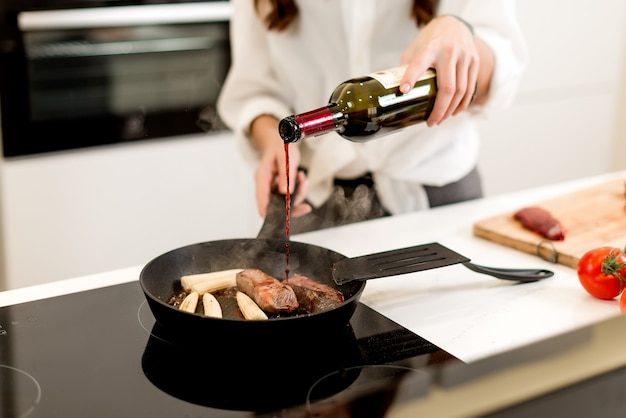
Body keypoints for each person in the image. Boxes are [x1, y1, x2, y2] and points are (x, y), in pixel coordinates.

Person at [217, 0, 527, 235]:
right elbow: (254, 89)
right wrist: (272, 140)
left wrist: (461, 33)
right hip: (315, 202)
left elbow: (501, 71)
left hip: (438, 193)